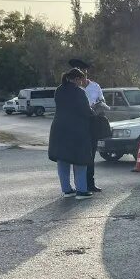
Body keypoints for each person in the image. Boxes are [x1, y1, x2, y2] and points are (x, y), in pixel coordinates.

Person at [48, 66, 94, 198]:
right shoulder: (78, 92)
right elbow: (85, 111)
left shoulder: (59, 90)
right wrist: (94, 111)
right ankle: (82, 191)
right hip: (76, 130)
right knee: (80, 160)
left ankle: (66, 190)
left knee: (63, 160)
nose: (82, 82)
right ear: (77, 79)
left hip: (58, 129)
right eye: (81, 80)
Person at [68, 58, 108, 193]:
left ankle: (90, 183)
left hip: (92, 123)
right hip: (77, 124)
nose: (83, 75)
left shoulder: (95, 87)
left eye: (84, 71)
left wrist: (99, 105)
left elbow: (102, 101)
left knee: (91, 155)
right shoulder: (72, 88)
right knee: (78, 155)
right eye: (79, 72)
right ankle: (79, 185)